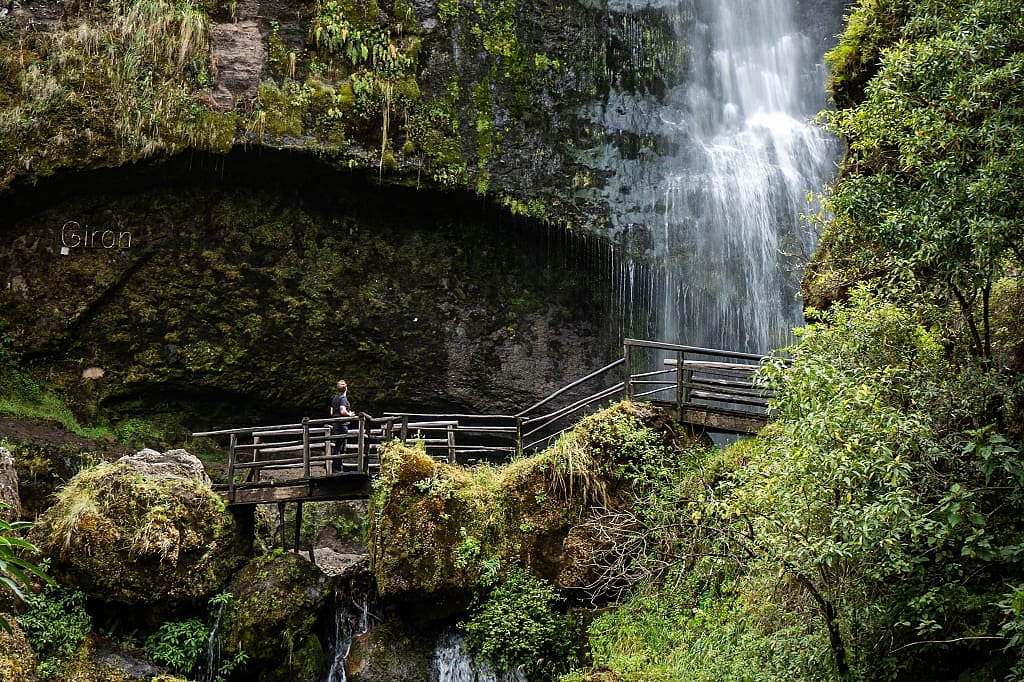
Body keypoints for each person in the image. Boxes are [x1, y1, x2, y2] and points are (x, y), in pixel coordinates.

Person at [329, 380, 355, 473]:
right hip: (342, 425)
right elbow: (342, 411)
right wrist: (350, 415)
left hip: (335, 424)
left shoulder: (335, 398)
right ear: (346, 388)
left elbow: (331, 412)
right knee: (341, 447)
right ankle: (337, 469)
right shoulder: (343, 398)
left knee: (338, 446)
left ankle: (337, 468)